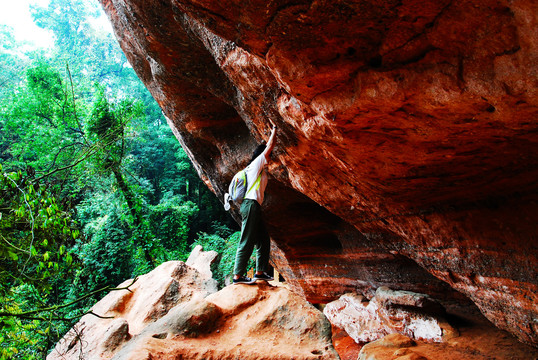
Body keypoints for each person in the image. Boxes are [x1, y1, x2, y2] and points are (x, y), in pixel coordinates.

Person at [232, 121, 277, 285]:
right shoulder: (256, 165)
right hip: (250, 205)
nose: (270, 158)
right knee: (247, 239)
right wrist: (274, 130)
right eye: (269, 156)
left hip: (254, 207)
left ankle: (260, 272)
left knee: (263, 239)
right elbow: (270, 146)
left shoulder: (259, 169)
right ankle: (237, 275)